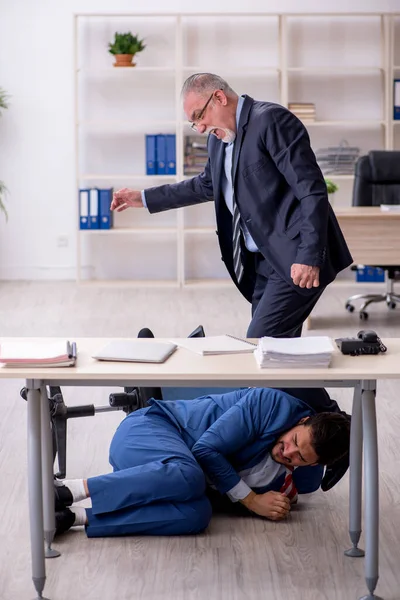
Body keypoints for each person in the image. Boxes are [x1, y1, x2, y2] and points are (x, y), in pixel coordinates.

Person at [110, 73, 353, 338]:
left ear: (219, 98)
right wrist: (143, 198)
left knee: (261, 341)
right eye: (194, 123)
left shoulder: (270, 120)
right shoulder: (218, 139)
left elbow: (311, 190)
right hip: (262, 260)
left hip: (294, 257)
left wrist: (308, 256)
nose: (199, 128)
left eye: (198, 116)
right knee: (278, 356)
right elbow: (205, 185)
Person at [54, 387, 350, 538]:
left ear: (314, 465)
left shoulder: (303, 479)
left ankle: (76, 518)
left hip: (158, 478)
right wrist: (252, 500)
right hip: (148, 430)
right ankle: (66, 491)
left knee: (196, 515)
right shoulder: (269, 404)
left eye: (301, 458)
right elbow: (206, 450)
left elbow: (222, 495)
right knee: (190, 475)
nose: (289, 453)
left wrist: (270, 505)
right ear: (303, 420)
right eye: (294, 441)